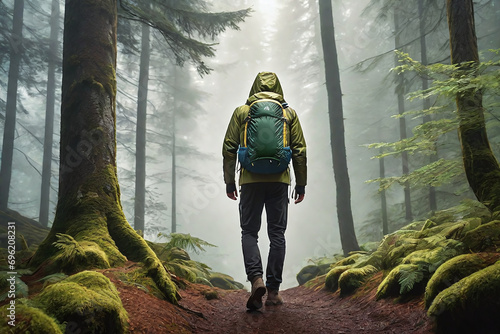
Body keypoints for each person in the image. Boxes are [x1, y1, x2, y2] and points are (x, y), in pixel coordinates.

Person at [222, 71, 307, 310]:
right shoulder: (288, 112)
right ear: (278, 87)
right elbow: (299, 150)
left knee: (249, 232)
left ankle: (256, 279)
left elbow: (229, 147)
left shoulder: (242, 111)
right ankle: (273, 291)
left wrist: (230, 181)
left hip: (249, 180)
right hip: (279, 180)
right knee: (277, 234)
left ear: (253, 88)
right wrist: (301, 183)